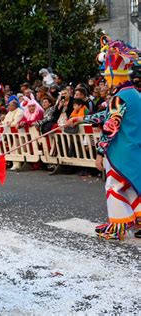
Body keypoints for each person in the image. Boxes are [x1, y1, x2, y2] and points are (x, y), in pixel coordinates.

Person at [68, 36, 140, 240]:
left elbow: (110, 127)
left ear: (113, 75)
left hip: (120, 151)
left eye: (106, 77)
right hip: (134, 149)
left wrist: (100, 152)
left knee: (114, 186)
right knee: (132, 186)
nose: (105, 80)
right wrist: (81, 119)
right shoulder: (134, 94)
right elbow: (108, 116)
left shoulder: (119, 97)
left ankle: (117, 226)